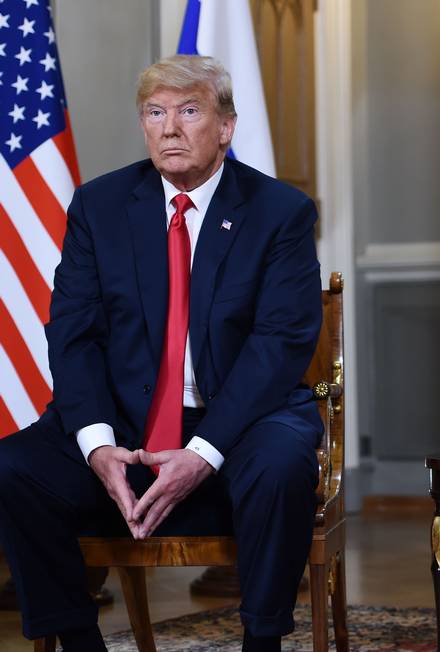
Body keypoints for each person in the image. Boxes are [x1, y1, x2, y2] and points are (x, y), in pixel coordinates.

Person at [0, 55, 323, 652]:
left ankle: (264, 640)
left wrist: (203, 452)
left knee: (281, 463)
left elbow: (277, 347)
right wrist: (97, 445)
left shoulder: (280, 213)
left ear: (225, 126)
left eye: (189, 110)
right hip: (128, 419)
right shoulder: (99, 208)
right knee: (15, 467)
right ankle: (77, 641)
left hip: (241, 418)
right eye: (155, 112)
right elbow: (72, 334)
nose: (169, 128)